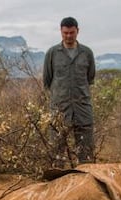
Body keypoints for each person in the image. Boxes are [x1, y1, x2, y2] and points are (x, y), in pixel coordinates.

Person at [43, 16, 96, 167]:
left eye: (71, 33)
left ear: (77, 31)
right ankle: (56, 186)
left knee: (86, 154)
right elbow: (47, 80)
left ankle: (86, 186)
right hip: (60, 109)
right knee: (57, 155)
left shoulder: (87, 53)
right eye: (65, 33)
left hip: (82, 108)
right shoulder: (52, 53)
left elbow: (90, 78)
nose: (68, 36)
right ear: (61, 31)